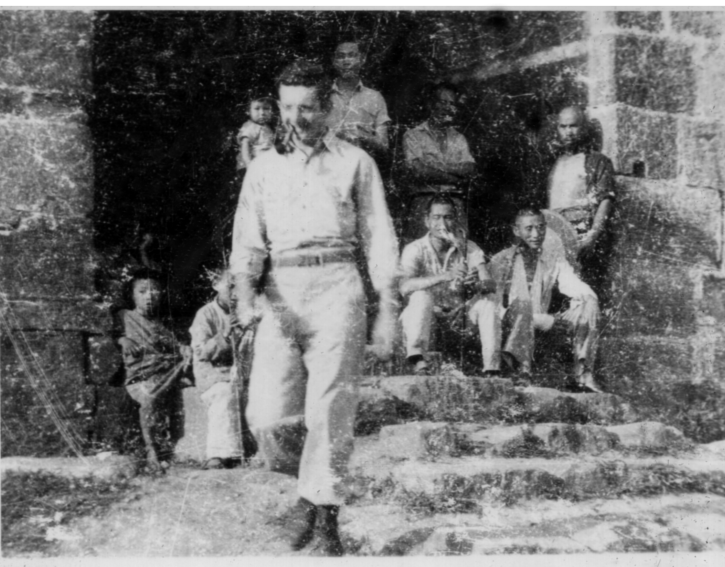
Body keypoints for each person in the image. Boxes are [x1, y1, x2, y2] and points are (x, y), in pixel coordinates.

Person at [230, 59, 398, 556]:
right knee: (265, 416)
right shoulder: (263, 166)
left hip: (337, 285)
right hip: (280, 288)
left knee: (331, 406)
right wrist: (245, 299)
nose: (295, 117)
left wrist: (386, 308)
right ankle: (310, 488)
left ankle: (326, 517)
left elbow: (380, 237)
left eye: (307, 107)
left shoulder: (355, 162)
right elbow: (247, 240)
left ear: (327, 108)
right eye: (287, 107)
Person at [491, 209, 602, 392]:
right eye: (529, 228)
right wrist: (535, 319)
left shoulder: (552, 259)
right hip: (510, 325)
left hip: (541, 323)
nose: (536, 234)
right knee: (522, 306)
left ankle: (583, 374)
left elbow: (572, 283)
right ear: (516, 230)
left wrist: (590, 298)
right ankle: (521, 372)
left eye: (541, 228)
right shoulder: (501, 260)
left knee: (588, 304)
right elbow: (492, 306)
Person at [399, 195, 501, 376]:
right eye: (436, 218)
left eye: (448, 217)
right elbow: (404, 286)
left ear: (455, 219)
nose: (442, 224)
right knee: (421, 296)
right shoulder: (414, 249)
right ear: (426, 220)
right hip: (428, 320)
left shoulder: (469, 247)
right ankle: (418, 360)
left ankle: (492, 369)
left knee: (488, 301)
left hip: (459, 317)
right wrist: (444, 276)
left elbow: (490, 284)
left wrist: (477, 283)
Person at [114, 269, 192, 474]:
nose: (149, 296)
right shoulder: (125, 316)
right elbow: (112, 335)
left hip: (163, 371)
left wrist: (183, 348)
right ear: (132, 295)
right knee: (149, 397)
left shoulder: (160, 325)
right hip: (140, 376)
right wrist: (123, 339)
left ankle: (173, 448)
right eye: (142, 291)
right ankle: (151, 450)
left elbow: (176, 345)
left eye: (155, 291)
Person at [545, 106, 616, 299]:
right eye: (563, 126)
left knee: (583, 291)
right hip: (553, 234)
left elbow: (605, 200)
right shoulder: (553, 162)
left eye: (574, 126)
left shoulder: (596, 161)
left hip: (580, 233)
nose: (568, 132)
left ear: (584, 128)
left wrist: (592, 236)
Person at [402, 83, 476, 241]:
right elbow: (419, 170)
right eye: (443, 102)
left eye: (452, 104)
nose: (447, 108)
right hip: (424, 202)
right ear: (431, 104)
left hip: (454, 203)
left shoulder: (459, 138)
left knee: (457, 253)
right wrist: (455, 178)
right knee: (422, 253)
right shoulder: (413, 135)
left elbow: (469, 169)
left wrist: (434, 165)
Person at [188, 269, 244, 470]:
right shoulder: (205, 314)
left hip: (242, 373)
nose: (236, 293)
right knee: (225, 392)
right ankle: (218, 453)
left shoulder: (248, 311)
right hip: (214, 375)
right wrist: (225, 335)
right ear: (216, 285)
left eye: (241, 287)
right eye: (230, 287)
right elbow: (201, 352)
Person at [326, 39, 391, 158]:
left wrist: (364, 137)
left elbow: (384, 146)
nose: (346, 61)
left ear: (362, 60)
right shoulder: (322, 96)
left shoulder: (374, 97)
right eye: (341, 56)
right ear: (334, 62)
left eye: (351, 55)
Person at [236, 96, 276, 170]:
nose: (262, 113)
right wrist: (248, 163)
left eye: (266, 108)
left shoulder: (268, 127)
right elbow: (245, 145)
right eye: (257, 109)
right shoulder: (250, 127)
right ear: (248, 111)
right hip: (251, 165)